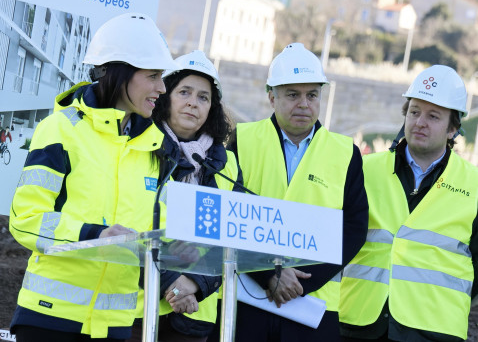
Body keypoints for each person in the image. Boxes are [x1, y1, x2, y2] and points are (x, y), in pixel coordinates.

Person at [8, 13, 178, 341]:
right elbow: (26, 220)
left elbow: (163, 235)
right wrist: (94, 235)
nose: (162, 87)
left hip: (115, 327)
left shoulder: (156, 148)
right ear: (119, 72)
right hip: (49, 320)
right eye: (154, 75)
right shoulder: (61, 130)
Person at [228, 43, 368, 341]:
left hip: (315, 305)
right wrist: (269, 274)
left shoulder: (346, 153)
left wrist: (303, 282)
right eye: (293, 94)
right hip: (246, 299)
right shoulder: (242, 140)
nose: (304, 104)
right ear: (271, 96)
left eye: (312, 95)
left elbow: (354, 228)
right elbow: (228, 216)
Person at [339, 65, 478, 342]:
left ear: (453, 128)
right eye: (414, 112)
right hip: (359, 323)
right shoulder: (363, 169)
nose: (419, 122)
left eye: (433, 116)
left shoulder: (474, 184)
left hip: (435, 330)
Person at [126, 51, 243, 342]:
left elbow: (234, 236)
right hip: (135, 310)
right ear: (165, 96)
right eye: (185, 92)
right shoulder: (135, 147)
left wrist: (195, 284)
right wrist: (172, 282)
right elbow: (126, 222)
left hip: (193, 314)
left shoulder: (226, 164)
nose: (193, 102)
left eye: (204, 97)